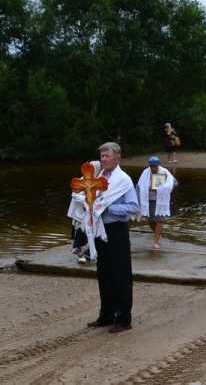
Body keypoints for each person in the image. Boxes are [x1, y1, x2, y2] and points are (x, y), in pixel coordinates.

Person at [86, 142, 139, 333]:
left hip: (116, 229)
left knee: (120, 274)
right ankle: (106, 315)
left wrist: (109, 207)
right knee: (105, 273)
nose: (103, 159)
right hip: (100, 229)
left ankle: (124, 319)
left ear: (117, 157)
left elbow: (133, 208)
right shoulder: (98, 177)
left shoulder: (123, 180)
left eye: (107, 155)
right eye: (101, 155)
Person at [136, 156, 177, 250]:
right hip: (148, 200)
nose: (153, 168)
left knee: (159, 220)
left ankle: (155, 242)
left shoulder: (165, 172)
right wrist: (137, 199)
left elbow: (174, 183)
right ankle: (157, 235)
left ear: (158, 165)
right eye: (151, 166)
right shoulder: (145, 173)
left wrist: (164, 189)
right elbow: (139, 185)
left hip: (160, 200)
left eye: (155, 166)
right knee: (150, 220)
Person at [69, 160, 102, 264]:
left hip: (92, 212)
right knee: (80, 232)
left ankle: (87, 251)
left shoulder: (98, 181)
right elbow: (74, 195)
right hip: (81, 213)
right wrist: (85, 202)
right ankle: (79, 252)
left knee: (91, 232)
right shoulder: (82, 180)